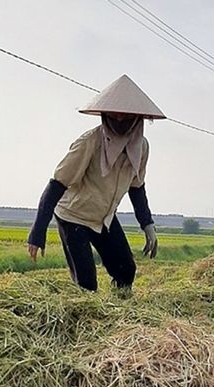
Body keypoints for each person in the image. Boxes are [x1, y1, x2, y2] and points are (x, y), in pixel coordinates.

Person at [27, 75, 164, 298]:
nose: (119, 120)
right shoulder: (89, 143)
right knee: (86, 286)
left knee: (126, 271)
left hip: (104, 217)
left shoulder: (142, 148)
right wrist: (38, 231)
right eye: (113, 115)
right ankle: (86, 324)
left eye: (125, 116)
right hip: (74, 216)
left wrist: (147, 224)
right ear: (104, 115)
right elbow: (56, 184)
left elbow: (137, 188)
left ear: (136, 117)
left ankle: (120, 314)